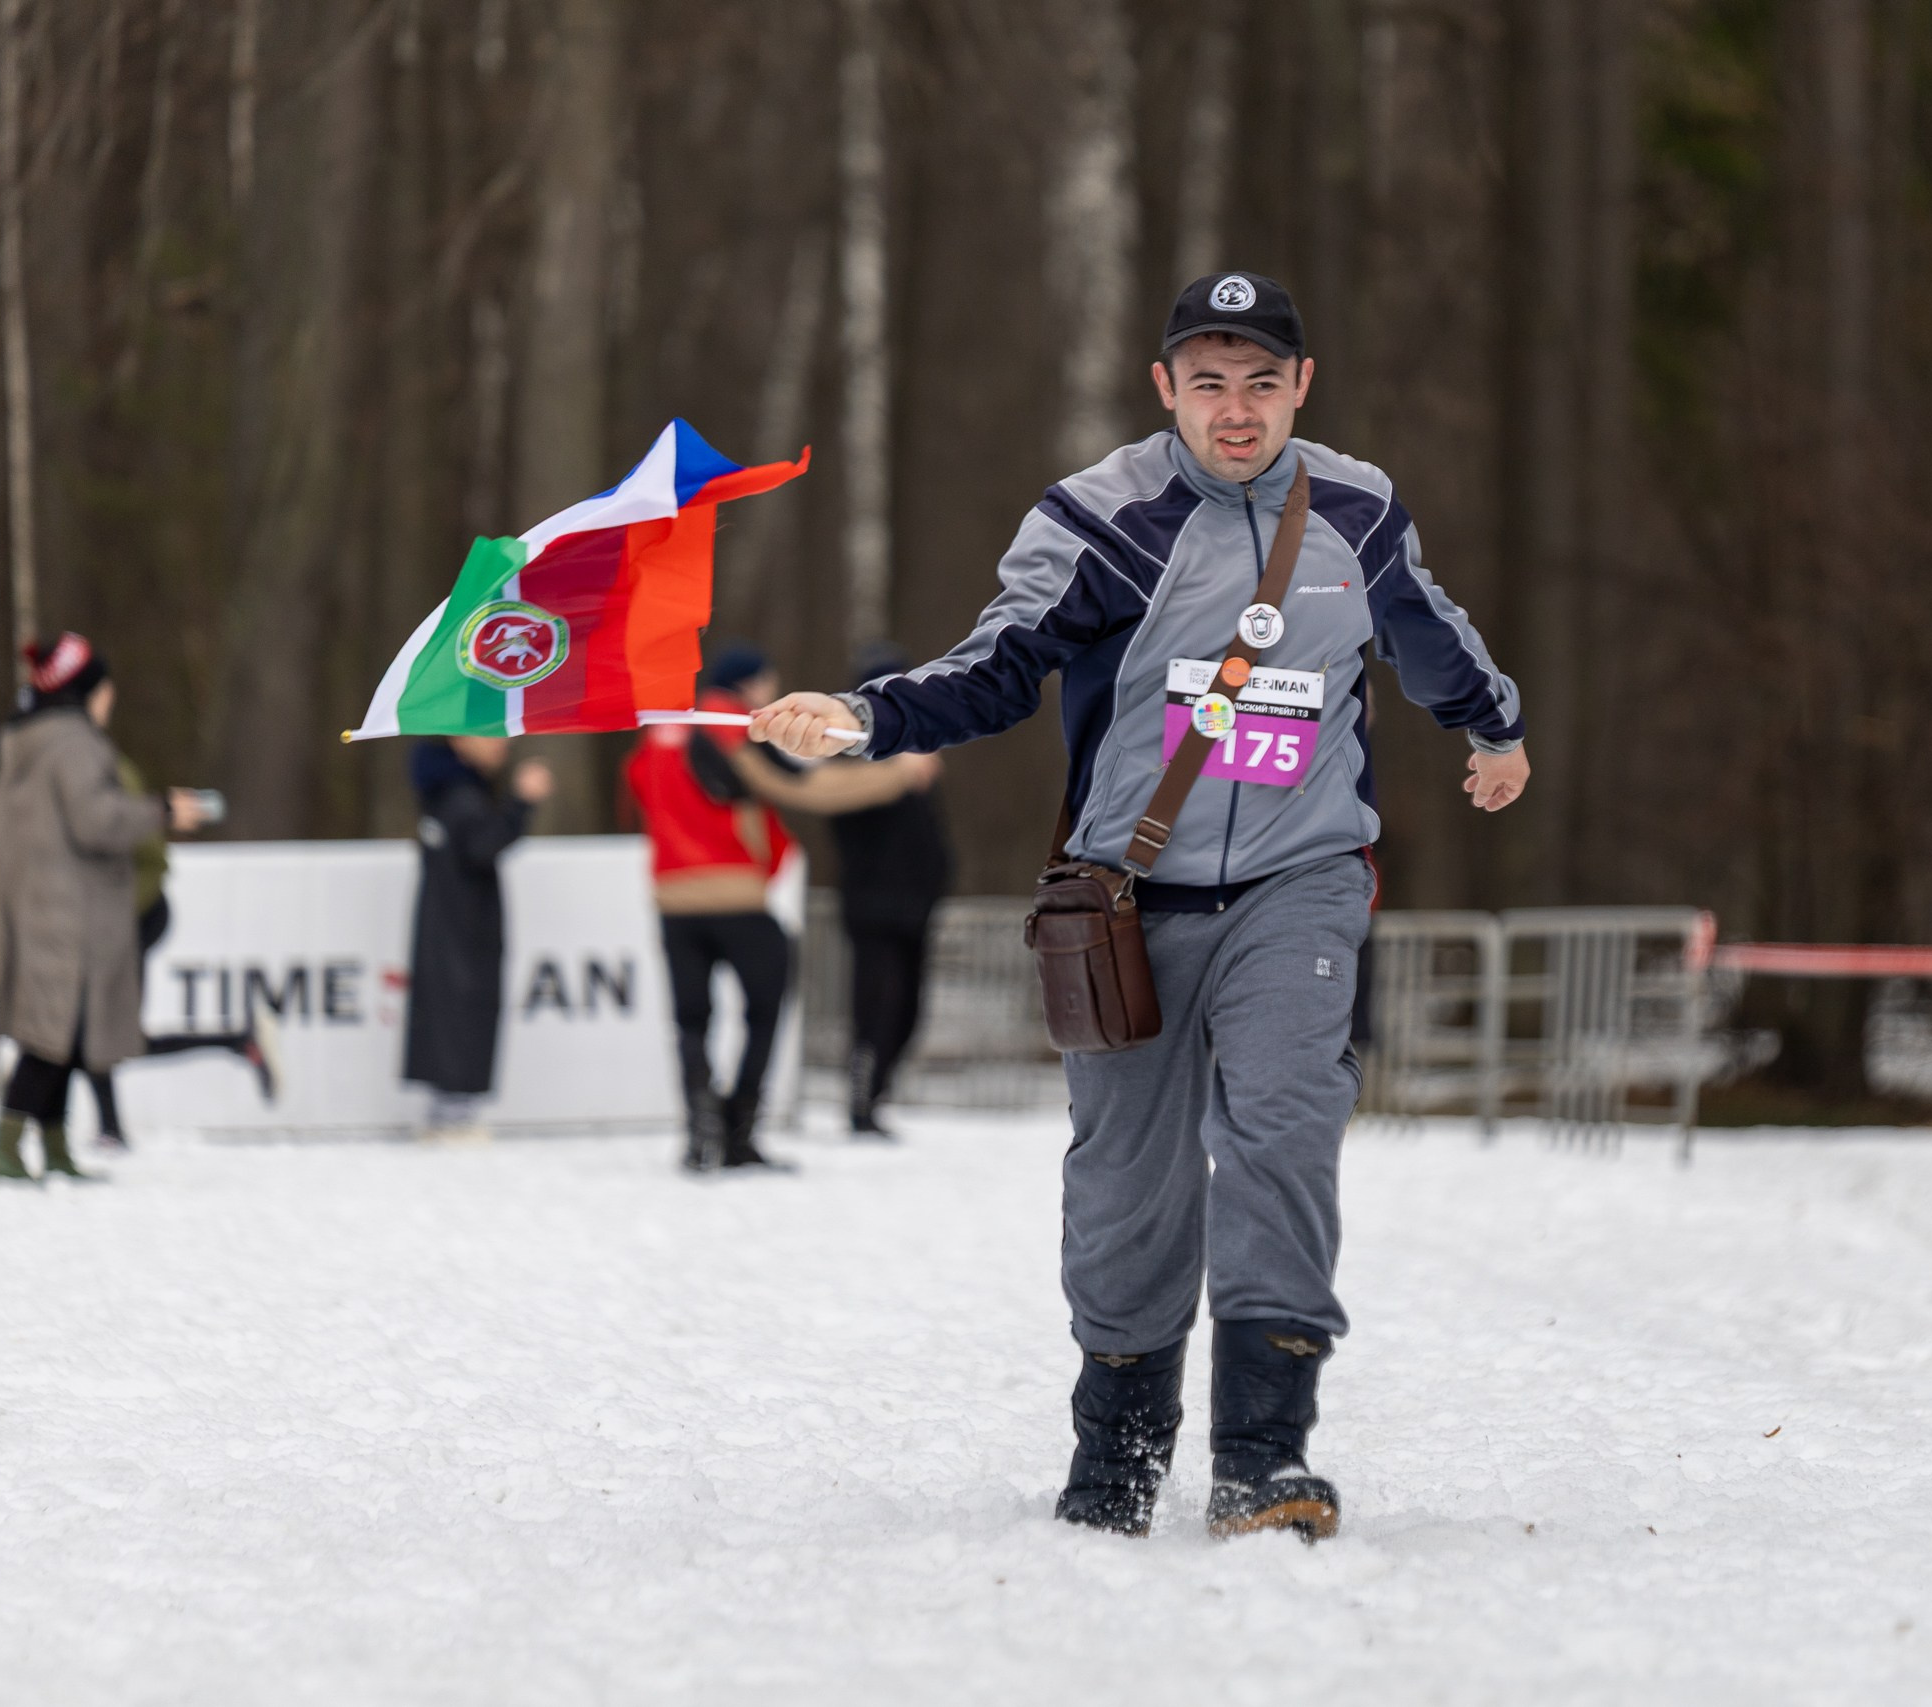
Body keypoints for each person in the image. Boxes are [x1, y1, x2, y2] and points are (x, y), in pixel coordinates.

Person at [753, 272, 1529, 1540]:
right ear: (1164, 387)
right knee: (1128, 1180)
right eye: (1209, 382)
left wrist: (1488, 722)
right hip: (1128, 901)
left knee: (1282, 1128)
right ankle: (1116, 1452)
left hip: (1302, 879)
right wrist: (867, 718)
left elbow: (1424, 630)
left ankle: (1263, 1457)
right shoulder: (1100, 518)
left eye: (1262, 383)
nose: (1237, 410)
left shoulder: (1357, 508)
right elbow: (1000, 665)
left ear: (1302, 388)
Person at [625, 645, 934, 1172]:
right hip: (735, 893)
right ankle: (738, 1130)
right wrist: (899, 775)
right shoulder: (729, 727)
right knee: (764, 1011)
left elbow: (635, 794)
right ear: (748, 685)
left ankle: (701, 1127)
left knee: (691, 1019)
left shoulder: (659, 734)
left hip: (671, 897)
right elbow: (802, 788)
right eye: (767, 684)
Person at [0, 634, 212, 1182]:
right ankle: (5, 1149)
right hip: (68, 913)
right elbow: (96, 820)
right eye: (105, 688)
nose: (111, 699)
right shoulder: (74, 744)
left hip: (37, 905)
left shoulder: (28, 737)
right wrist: (161, 810)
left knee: (61, 1035)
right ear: (87, 691)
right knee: (55, 1035)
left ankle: (53, 1147)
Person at [78, 748, 278, 1152]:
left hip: (132, 920)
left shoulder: (105, 777)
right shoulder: (90, 776)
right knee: (102, 1033)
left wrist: (115, 917)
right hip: (120, 922)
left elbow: (152, 860)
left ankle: (111, 1128)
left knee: (104, 1034)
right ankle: (237, 1042)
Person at [830, 645, 954, 1138]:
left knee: (906, 1011)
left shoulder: (917, 758)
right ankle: (861, 1103)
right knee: (874, 1010)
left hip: (915, 906)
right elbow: (836, 796)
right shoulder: (847, 751)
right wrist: (896, 774)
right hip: (872, 906)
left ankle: (877, 1094)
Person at [403, 736, 552, 1142]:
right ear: (459, 738)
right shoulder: (460, 794)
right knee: (462, 1005)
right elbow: (484, 846)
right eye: (489, 731)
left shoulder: (443, 788)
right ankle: (453, 1111)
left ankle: (446, 1107)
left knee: (447, 1006)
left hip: (448, 921)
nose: (501, 741)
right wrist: (522, 802)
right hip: (464, 927)